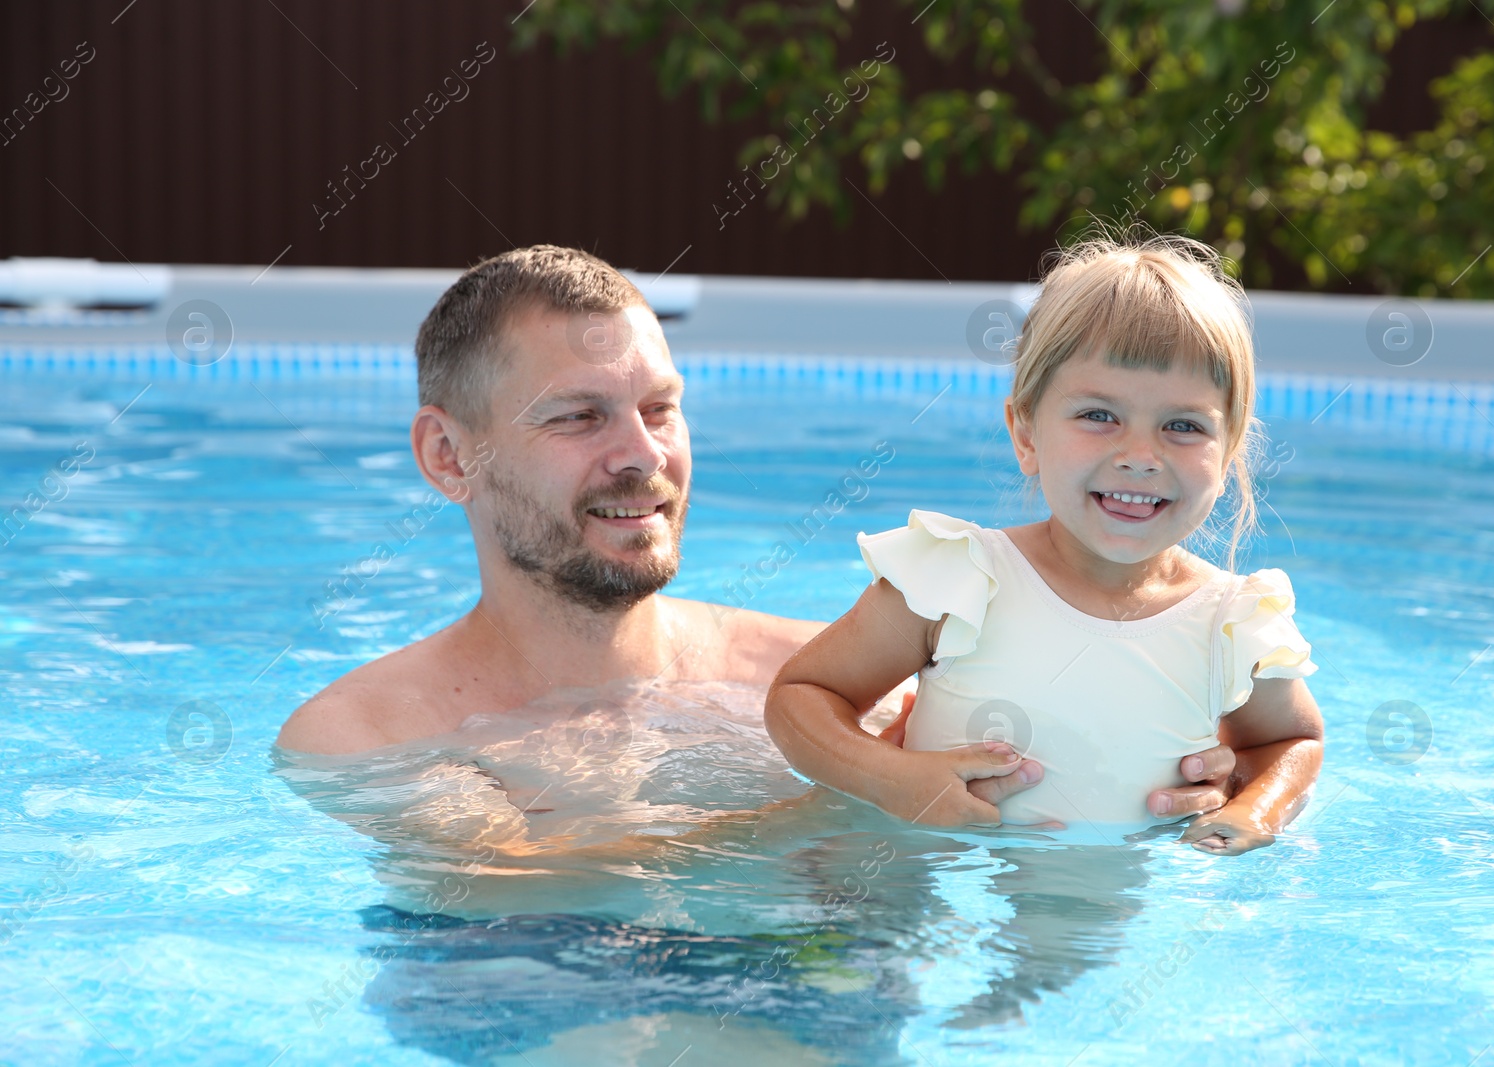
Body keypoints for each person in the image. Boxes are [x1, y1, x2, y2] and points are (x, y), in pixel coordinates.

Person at [276, 244, 1257, 827]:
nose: (639, 457)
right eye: (577, 418)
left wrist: (1185, 778)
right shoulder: (368, 736)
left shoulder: (832, 683)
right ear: (449, 457)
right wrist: (854, 796)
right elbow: (518, 890)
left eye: (660, 409)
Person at [766, 232, 1325, 854]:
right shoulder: (961, 579)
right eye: (1099, 416)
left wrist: (1253, 802)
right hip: (916, 874)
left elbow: (1290, 744)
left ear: (1228, 454)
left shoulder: (1230, 621)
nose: (1141, 456)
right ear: (1026, 433)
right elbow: (802, 697)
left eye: (1183, 426)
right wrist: (891, 779)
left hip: (1121, 903)